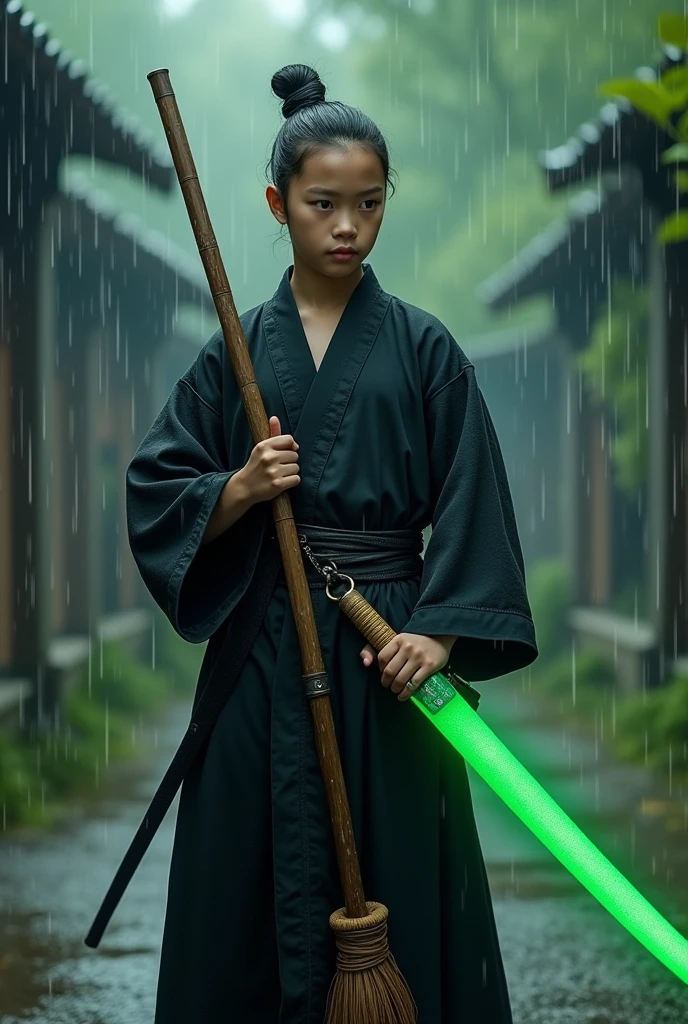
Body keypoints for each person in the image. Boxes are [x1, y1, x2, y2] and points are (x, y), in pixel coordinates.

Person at [126, 62, 538, 1024]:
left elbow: (474, 499)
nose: (346, 226)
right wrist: (238, 488)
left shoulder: (426, 350)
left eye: (368, 204)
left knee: (401, 874)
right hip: (259, 650)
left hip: (383, 649)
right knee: (245, 880)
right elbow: (156, 487)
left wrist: (435, 635)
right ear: (279, 204)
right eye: (322, 204)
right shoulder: (234, 353)